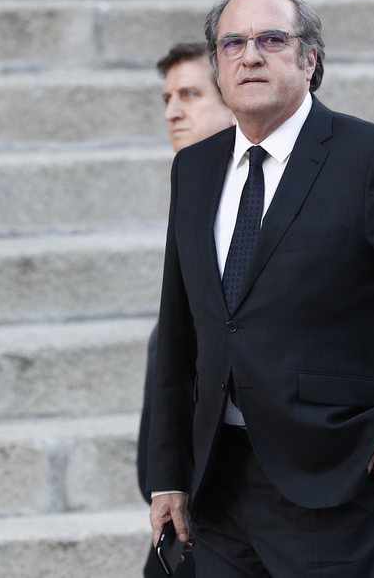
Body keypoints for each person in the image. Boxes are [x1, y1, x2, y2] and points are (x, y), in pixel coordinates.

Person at [146, 0, 374, 576]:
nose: (250, 55)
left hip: (335, 481)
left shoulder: (370, 158)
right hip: (218, 484)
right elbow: (181, 329)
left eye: (272, 40)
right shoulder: (195, 169)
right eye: (232, 43)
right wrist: (168, 475)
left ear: (310, 59)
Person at [139, 42, 234, 577]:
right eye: (167, 98)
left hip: (247, 483)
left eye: (191, 95)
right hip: (184, 490)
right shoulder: (193, 185)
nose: (173, 112)